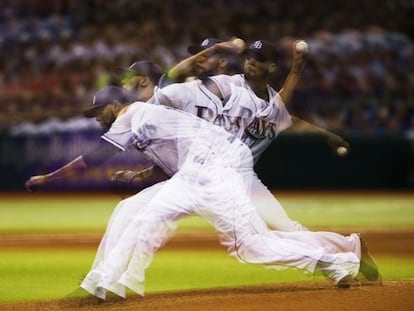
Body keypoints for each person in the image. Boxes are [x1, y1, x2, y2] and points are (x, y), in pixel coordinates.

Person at [25, 86, 369, 300]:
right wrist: (140, 176)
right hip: (195, 173)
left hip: (217, 170)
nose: (97, 118)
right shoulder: (147, 119)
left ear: (115, 105)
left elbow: (97, 156)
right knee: (136, 214)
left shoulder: (132, 113)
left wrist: (49, 178)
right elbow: (169, 164)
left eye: (99, 111)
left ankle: (339, 262)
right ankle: (101, 286)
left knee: (253, 247)